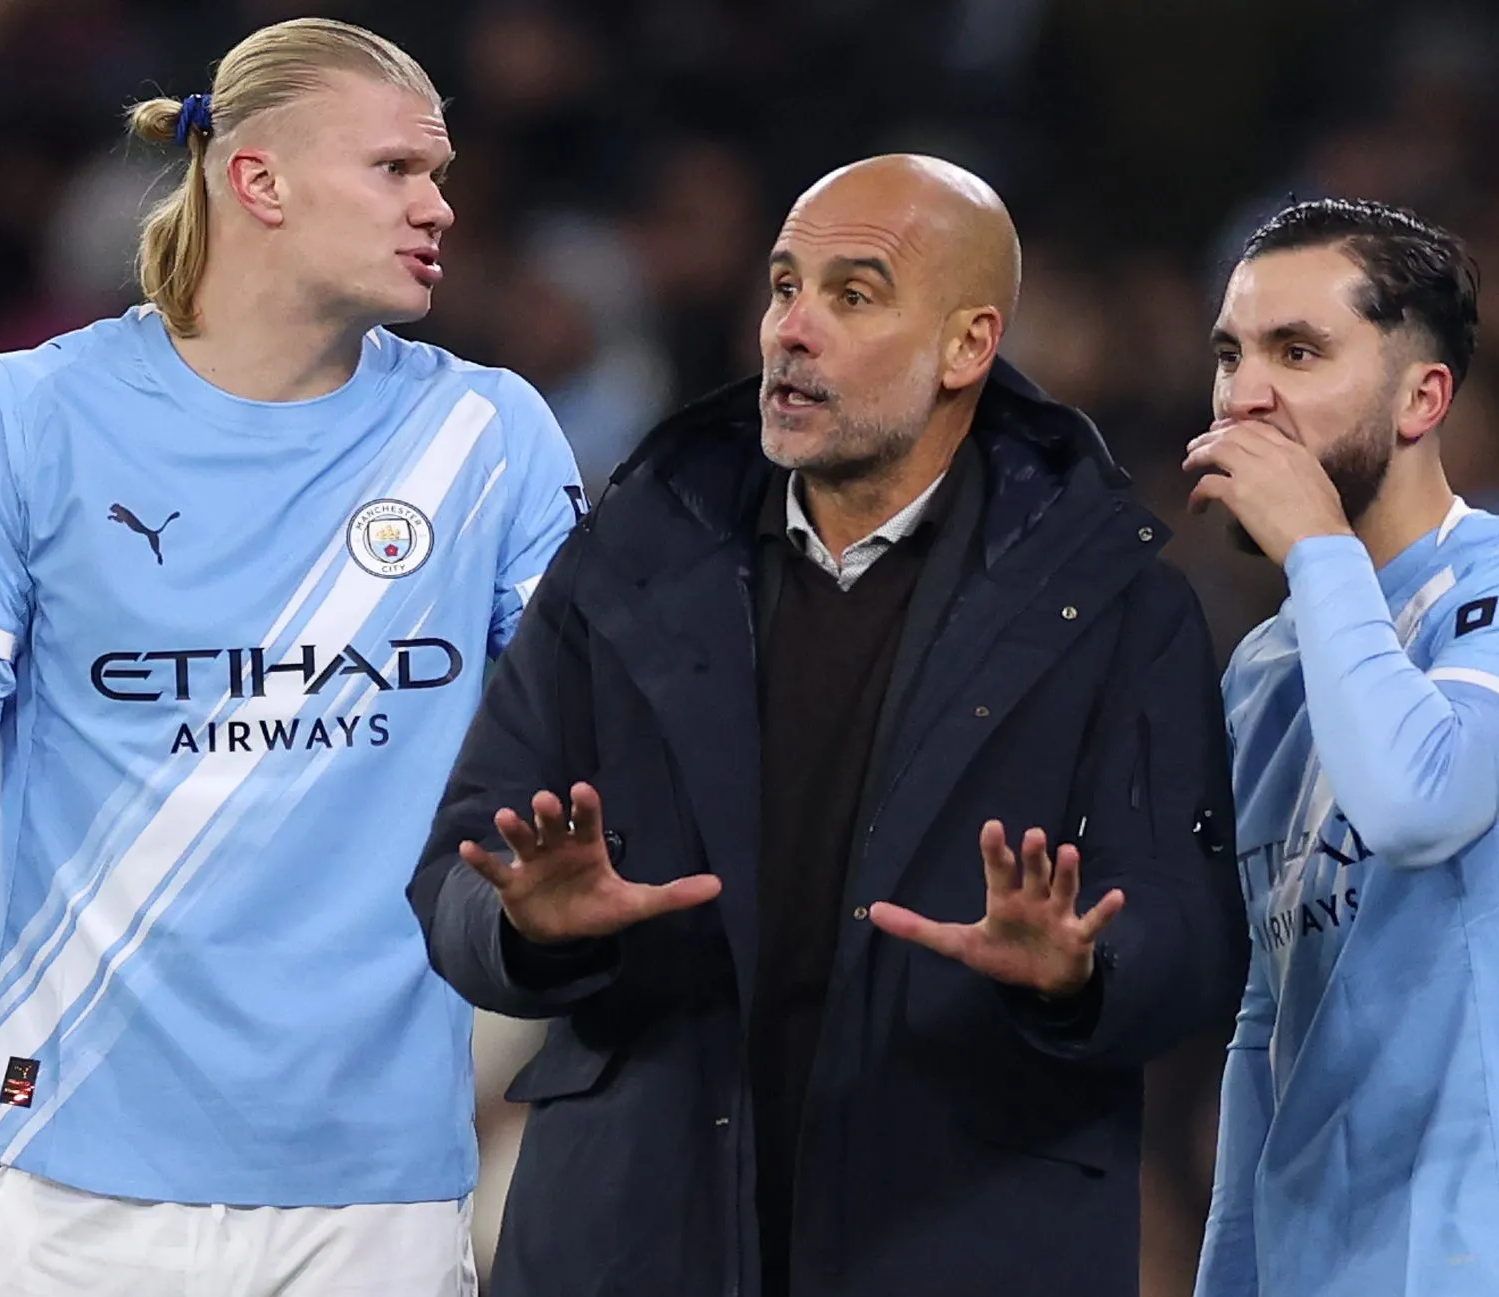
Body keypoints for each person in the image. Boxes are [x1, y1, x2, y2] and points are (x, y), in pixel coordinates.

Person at [0, 19, 583, 1297]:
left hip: (379, 1196)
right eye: (397, 169)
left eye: (439, 172)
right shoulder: (26, 417)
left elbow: (598, 738)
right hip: (86, 1187)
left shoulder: (488, 434)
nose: (440, 204)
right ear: (258, 179)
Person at [410, 154, 1246, 1297]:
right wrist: (530, 929)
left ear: (968, 345)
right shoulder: (629, 556)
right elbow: (457, 878)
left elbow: (1194, 935)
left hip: (962, 1235)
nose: (791, 330)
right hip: (635, 1240)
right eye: (783, 285)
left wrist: (1082, 969)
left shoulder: (1110, 598)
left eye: (852, 295)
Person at [1185, 198, 1499, 1297]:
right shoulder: (1263, 673)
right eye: (1232, 355)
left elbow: (1419, 797)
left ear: (1421, 397)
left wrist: (1319, 551)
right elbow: (1269, 1020)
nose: (1247, 394)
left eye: (1298, 353)